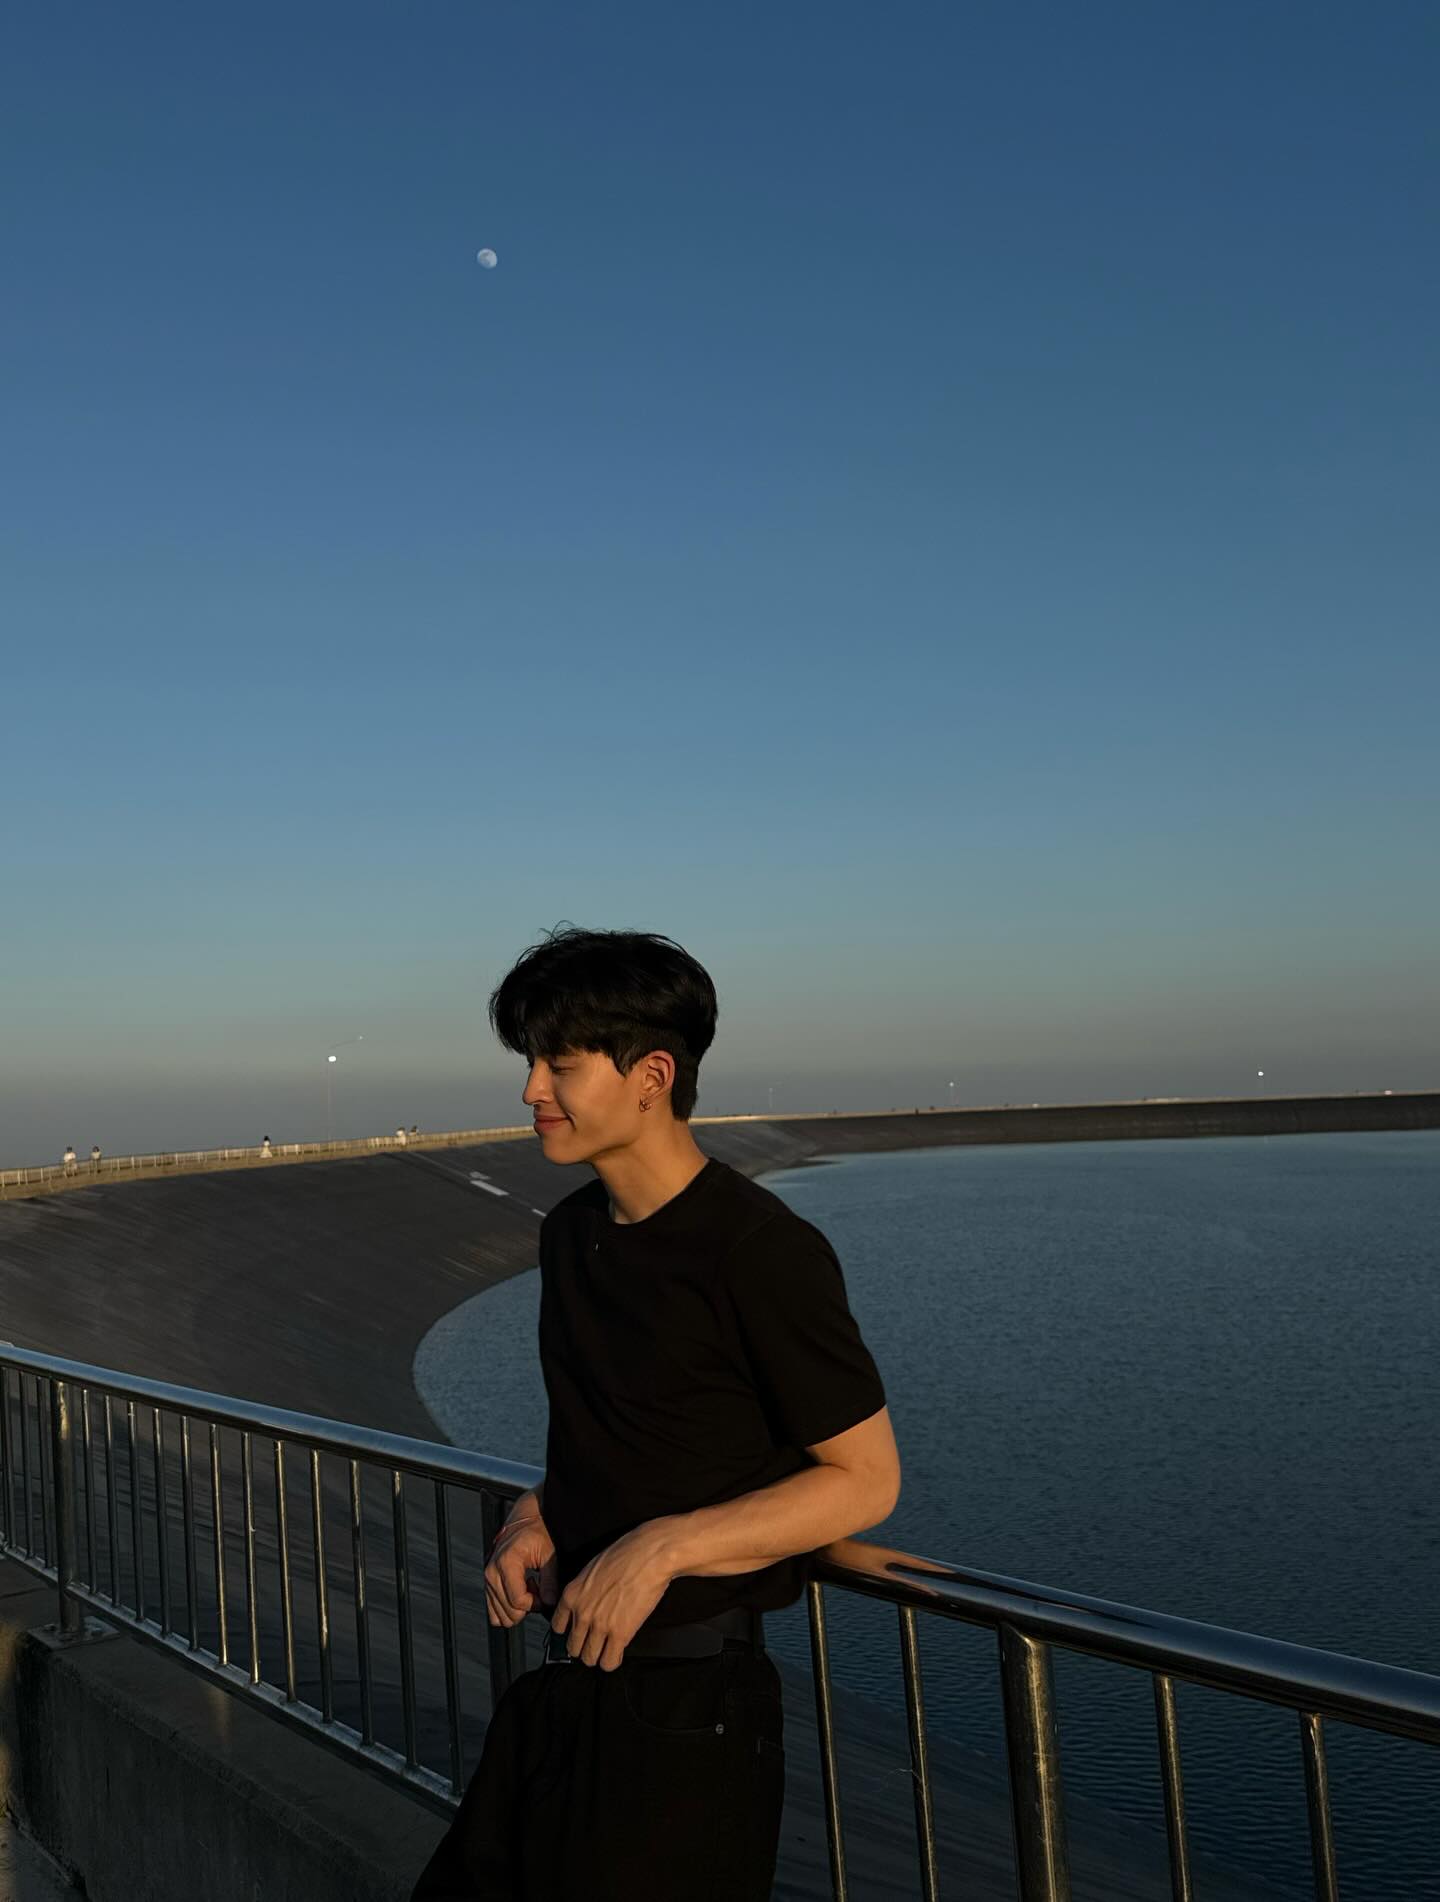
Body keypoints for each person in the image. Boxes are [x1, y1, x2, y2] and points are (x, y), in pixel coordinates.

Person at [410, 926, 899, 1902]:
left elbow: (864, 1481)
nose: (531, 1090)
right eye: (531, 1063)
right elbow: (628, 1434)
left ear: (652, 1076)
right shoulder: (570, 1235)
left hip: (692, 1712)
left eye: (558, 1065)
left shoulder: (759, 1249)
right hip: (569, 1686)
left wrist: (664, 1548)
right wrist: (540, 1511)